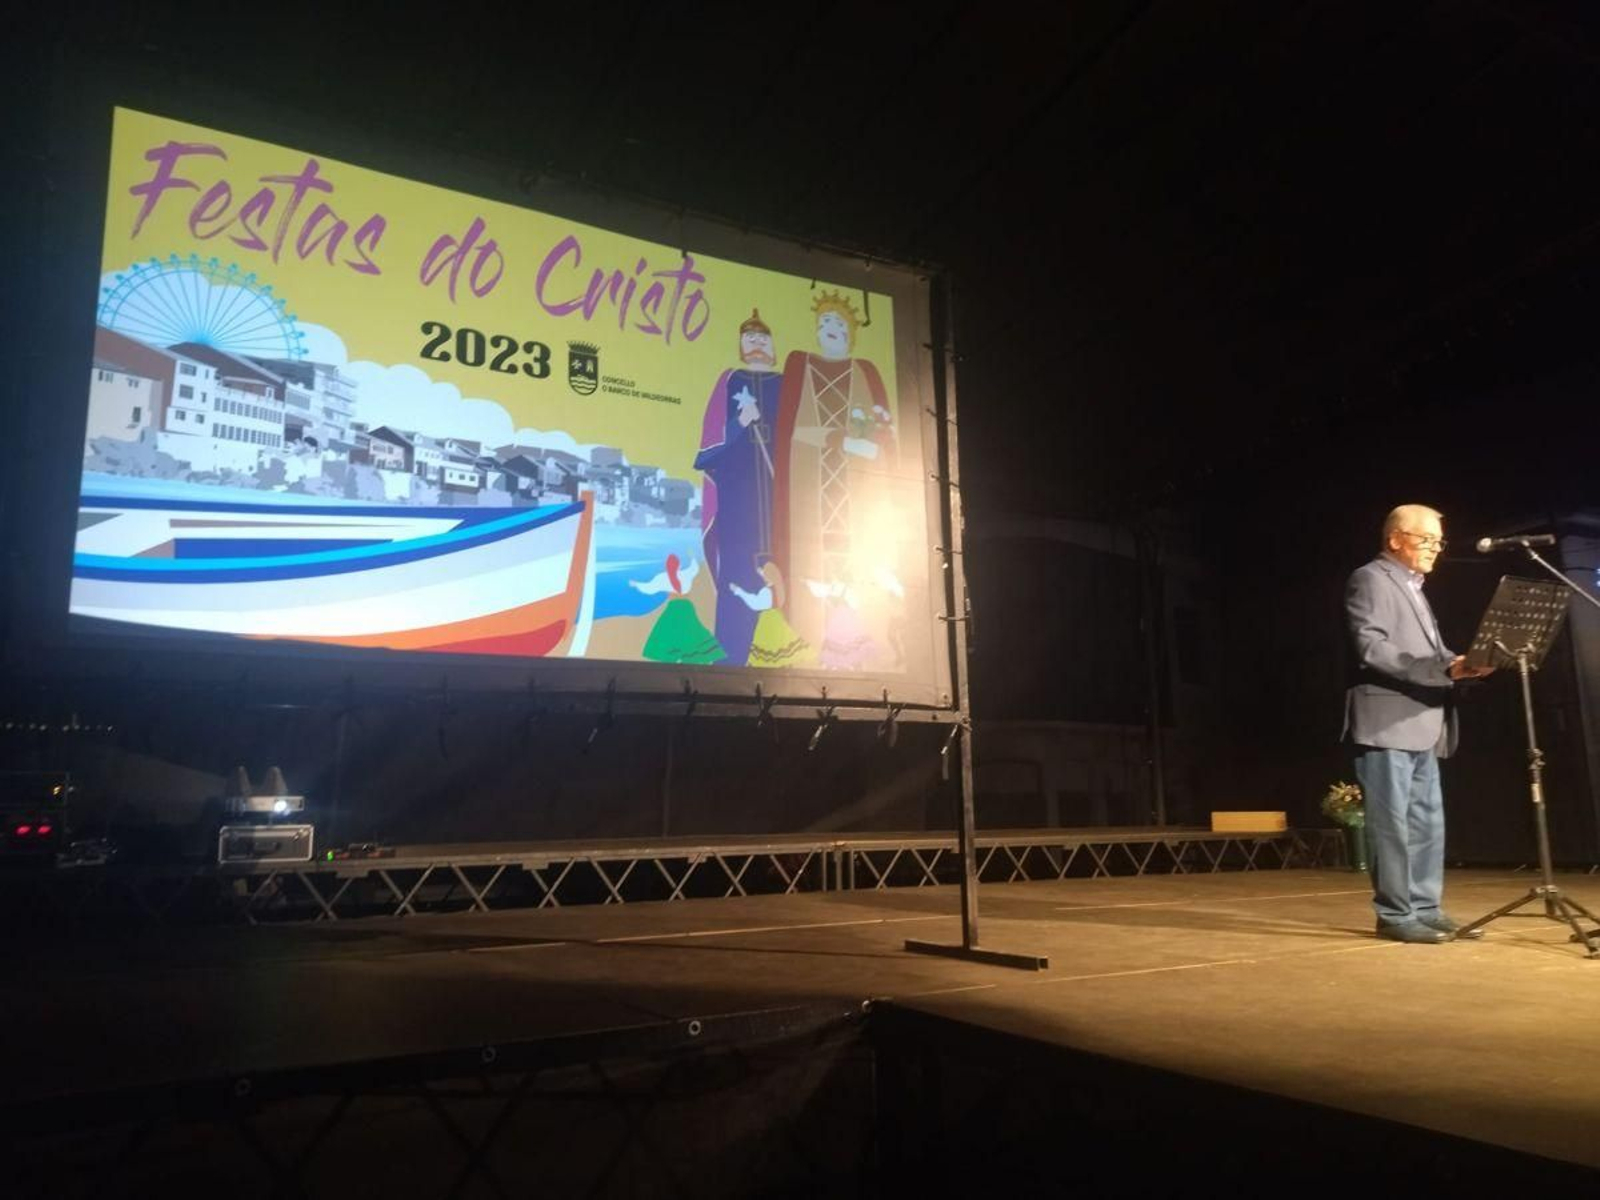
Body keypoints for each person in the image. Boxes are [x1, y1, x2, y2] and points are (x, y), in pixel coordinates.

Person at [1343, 504, 1492, 944]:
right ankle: (1395, 914)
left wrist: (1463, 663)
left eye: (1438, 542)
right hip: (1387, 720)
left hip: (1424, 719)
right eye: (1426, 540)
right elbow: (1372, 649)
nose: (1435, 549)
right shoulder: (1370, 579)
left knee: (1428, 822)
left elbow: (1432, 651)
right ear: (1396, 540)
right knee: (1391, 823)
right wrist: (1441, 670)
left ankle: (1426, 907)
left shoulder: (1414, 587)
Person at [695, 309, 784, 665]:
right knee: (738, 581)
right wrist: (739, 423)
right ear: (741, 346)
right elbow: (709, 444)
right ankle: (731, 661)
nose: (757, 343)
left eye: (763, 337)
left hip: (779, 498)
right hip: (738, 501)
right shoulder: (731, 380)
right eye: (750, 338)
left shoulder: (786, 384)